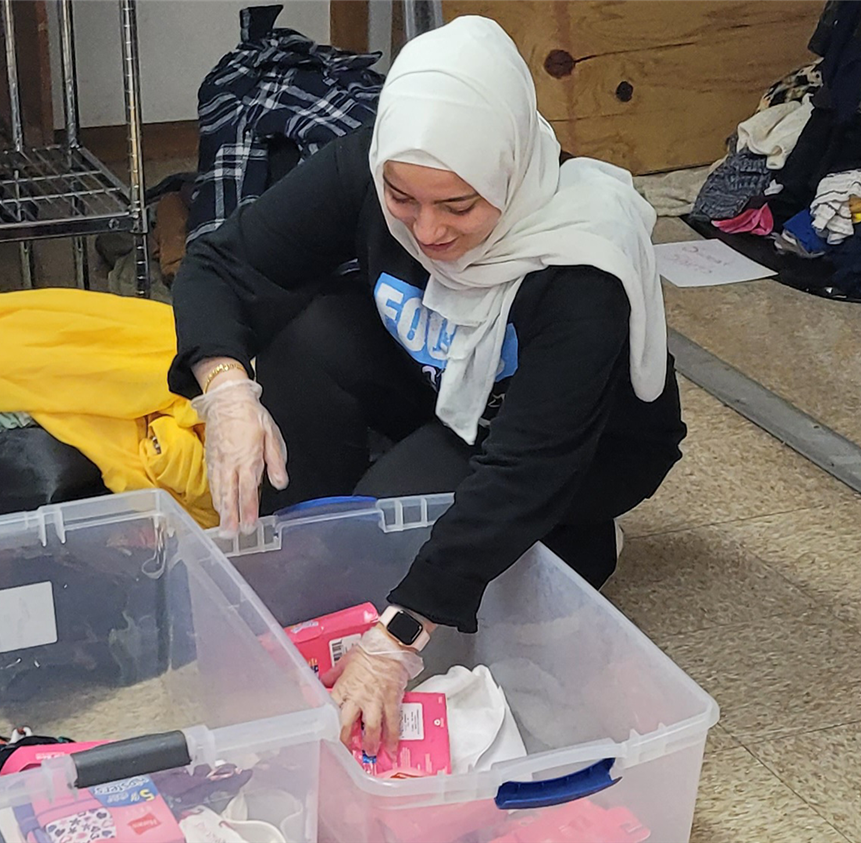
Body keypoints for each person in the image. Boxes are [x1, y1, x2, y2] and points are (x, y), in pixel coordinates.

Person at [169, 16, 686, 756]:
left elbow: (524, 467)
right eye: (403, 201)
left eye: (459, 207)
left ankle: (574, 542)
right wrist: (224, 389)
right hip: (445, 385)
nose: (428, 230)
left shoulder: (580, 267)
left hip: (578, 446)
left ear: (507, 170)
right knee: (311, 335)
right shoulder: (379, 165)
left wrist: (400, 632)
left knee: (395, 547)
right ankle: (309, 568)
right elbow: (222, 262)